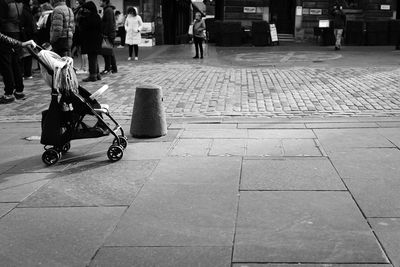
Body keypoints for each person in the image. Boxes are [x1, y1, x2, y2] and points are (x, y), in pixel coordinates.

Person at [0, 0, 27, 104]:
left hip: (6, 34)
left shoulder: (3, 2)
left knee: (6, 64)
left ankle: (9, 93)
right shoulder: (19, 2)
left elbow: (1, 20)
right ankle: (19, 90)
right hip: (16, 32)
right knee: (16, 63)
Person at [80, 1, 102, 82]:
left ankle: (93, 75)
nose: (85, 10)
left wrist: (82, 17)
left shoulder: (89, 17)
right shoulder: (97, 16)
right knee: (94, 57)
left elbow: (84, 26)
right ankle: (97, 74)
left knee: (92, 57)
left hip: (91, 40)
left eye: (86, 9)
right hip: (96, 40)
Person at [100, 0, 117, 74]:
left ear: (105, 2)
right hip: (109, 33)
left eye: (101, 1)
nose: (99, 3)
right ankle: (112, 68)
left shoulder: (108, 10)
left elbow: (109, 23)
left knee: (107, 51)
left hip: (108, 34)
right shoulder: (107, 10)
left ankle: (109, 68)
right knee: (109, 51)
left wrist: (105, 34)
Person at [73, 0, 88, 74]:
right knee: (80, 50)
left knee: (83, 50)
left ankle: (84, 68)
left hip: (81, 32)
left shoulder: (82, 11)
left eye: (77, 3)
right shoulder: (76, 10)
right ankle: (82, 67)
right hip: (77, 32)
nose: (75, 4)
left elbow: (79, 21)